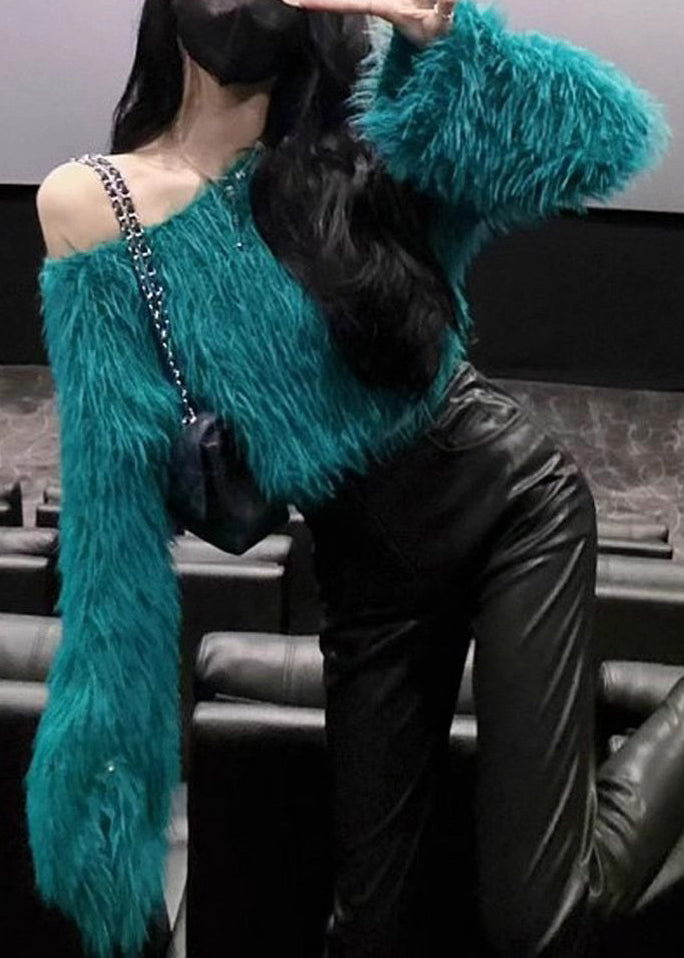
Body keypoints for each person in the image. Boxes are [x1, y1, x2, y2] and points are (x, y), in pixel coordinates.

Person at [28, 0, 684, 955]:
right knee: (370, 926)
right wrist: (106, 776)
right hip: (366, 580)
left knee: (539, 923)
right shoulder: (97, 205)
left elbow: (603, 141)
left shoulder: (367, 139)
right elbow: (110, 525)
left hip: (509, 511)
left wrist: (445, 34)